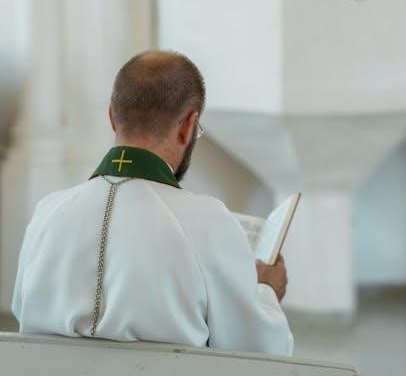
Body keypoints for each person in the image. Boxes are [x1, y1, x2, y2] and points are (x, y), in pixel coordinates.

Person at [12, 51, 293, 355]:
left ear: (112, 117)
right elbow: (256, 351)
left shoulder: (47, 212)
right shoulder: (209, 221)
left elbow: (23, 319)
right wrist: (266, 291)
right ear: (188, 126)